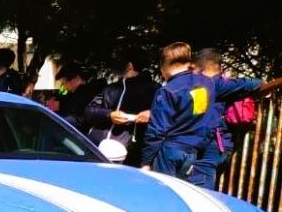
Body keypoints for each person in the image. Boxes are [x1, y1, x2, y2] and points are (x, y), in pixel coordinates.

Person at [143, 42, 280, 188]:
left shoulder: (202, 84)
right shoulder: (215, 84)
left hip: (201, 146)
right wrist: (262, 84)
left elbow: (160, 127)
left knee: (191, 186)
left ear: (199, 68)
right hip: (207, 147)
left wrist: (146, 161)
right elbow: (248, 83)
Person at [83, 51, 157, 167]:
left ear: (129, 66)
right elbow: (89, 111)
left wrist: (151, 114)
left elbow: (168, 114)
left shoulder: (153, 89)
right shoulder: (110, 88)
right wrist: (109, 114)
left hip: (128, 154)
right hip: (96, 149)